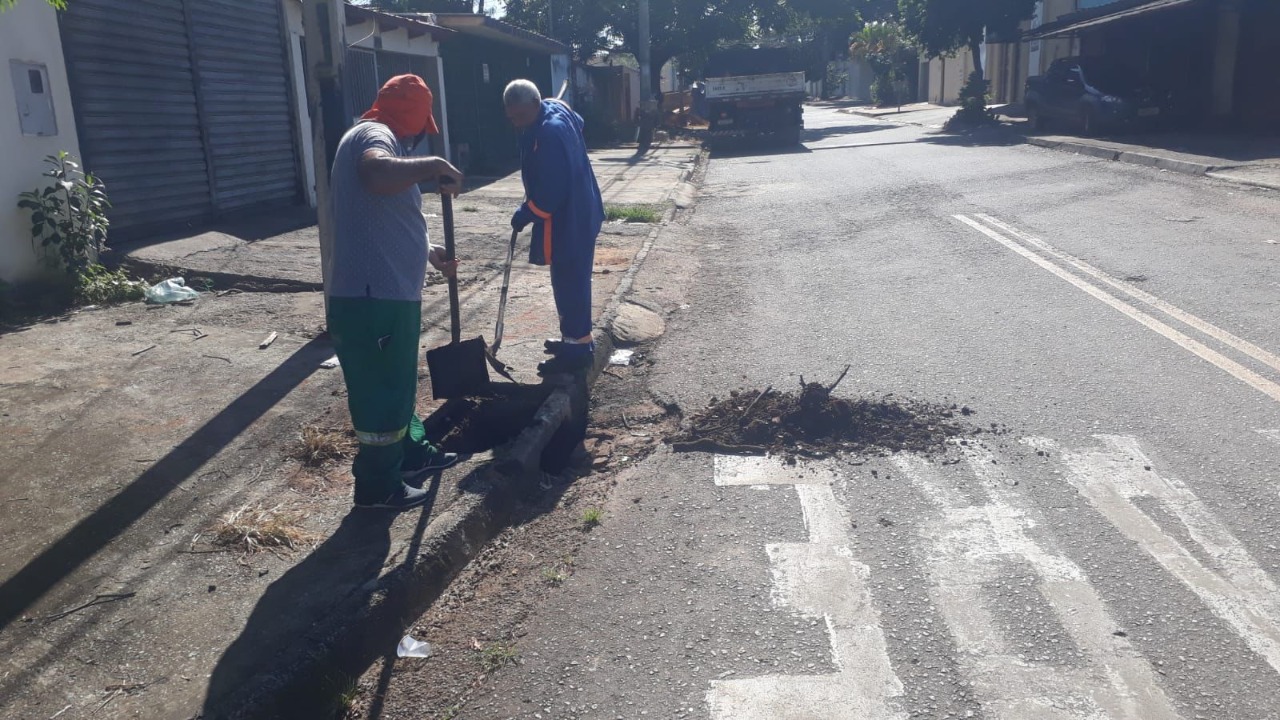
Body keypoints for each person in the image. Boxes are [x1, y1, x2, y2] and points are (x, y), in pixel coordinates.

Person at [328, 74, 464, 510]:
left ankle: (409, 456)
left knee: (398, 385)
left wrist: (427, 250)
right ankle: (377, 486)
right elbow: (376, 175)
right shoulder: (373, 135)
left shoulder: (387, 141)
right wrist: (436, 163)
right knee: (381, 393)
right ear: (416, 118)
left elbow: (381, 217)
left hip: (389, 294)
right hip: (372, 297)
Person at [503, 79, 605, 377]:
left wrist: (526, 213)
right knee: (568, 281)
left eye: (521, 116)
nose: (517, 123)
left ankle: (577, 351)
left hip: (569, 217)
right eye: (512, 117)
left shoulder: (549, 133)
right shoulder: (558, 111)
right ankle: (572, 339)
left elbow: (550, 194)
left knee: (571, 282)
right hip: (581, 211)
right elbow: (580, 120)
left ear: (535, 105)